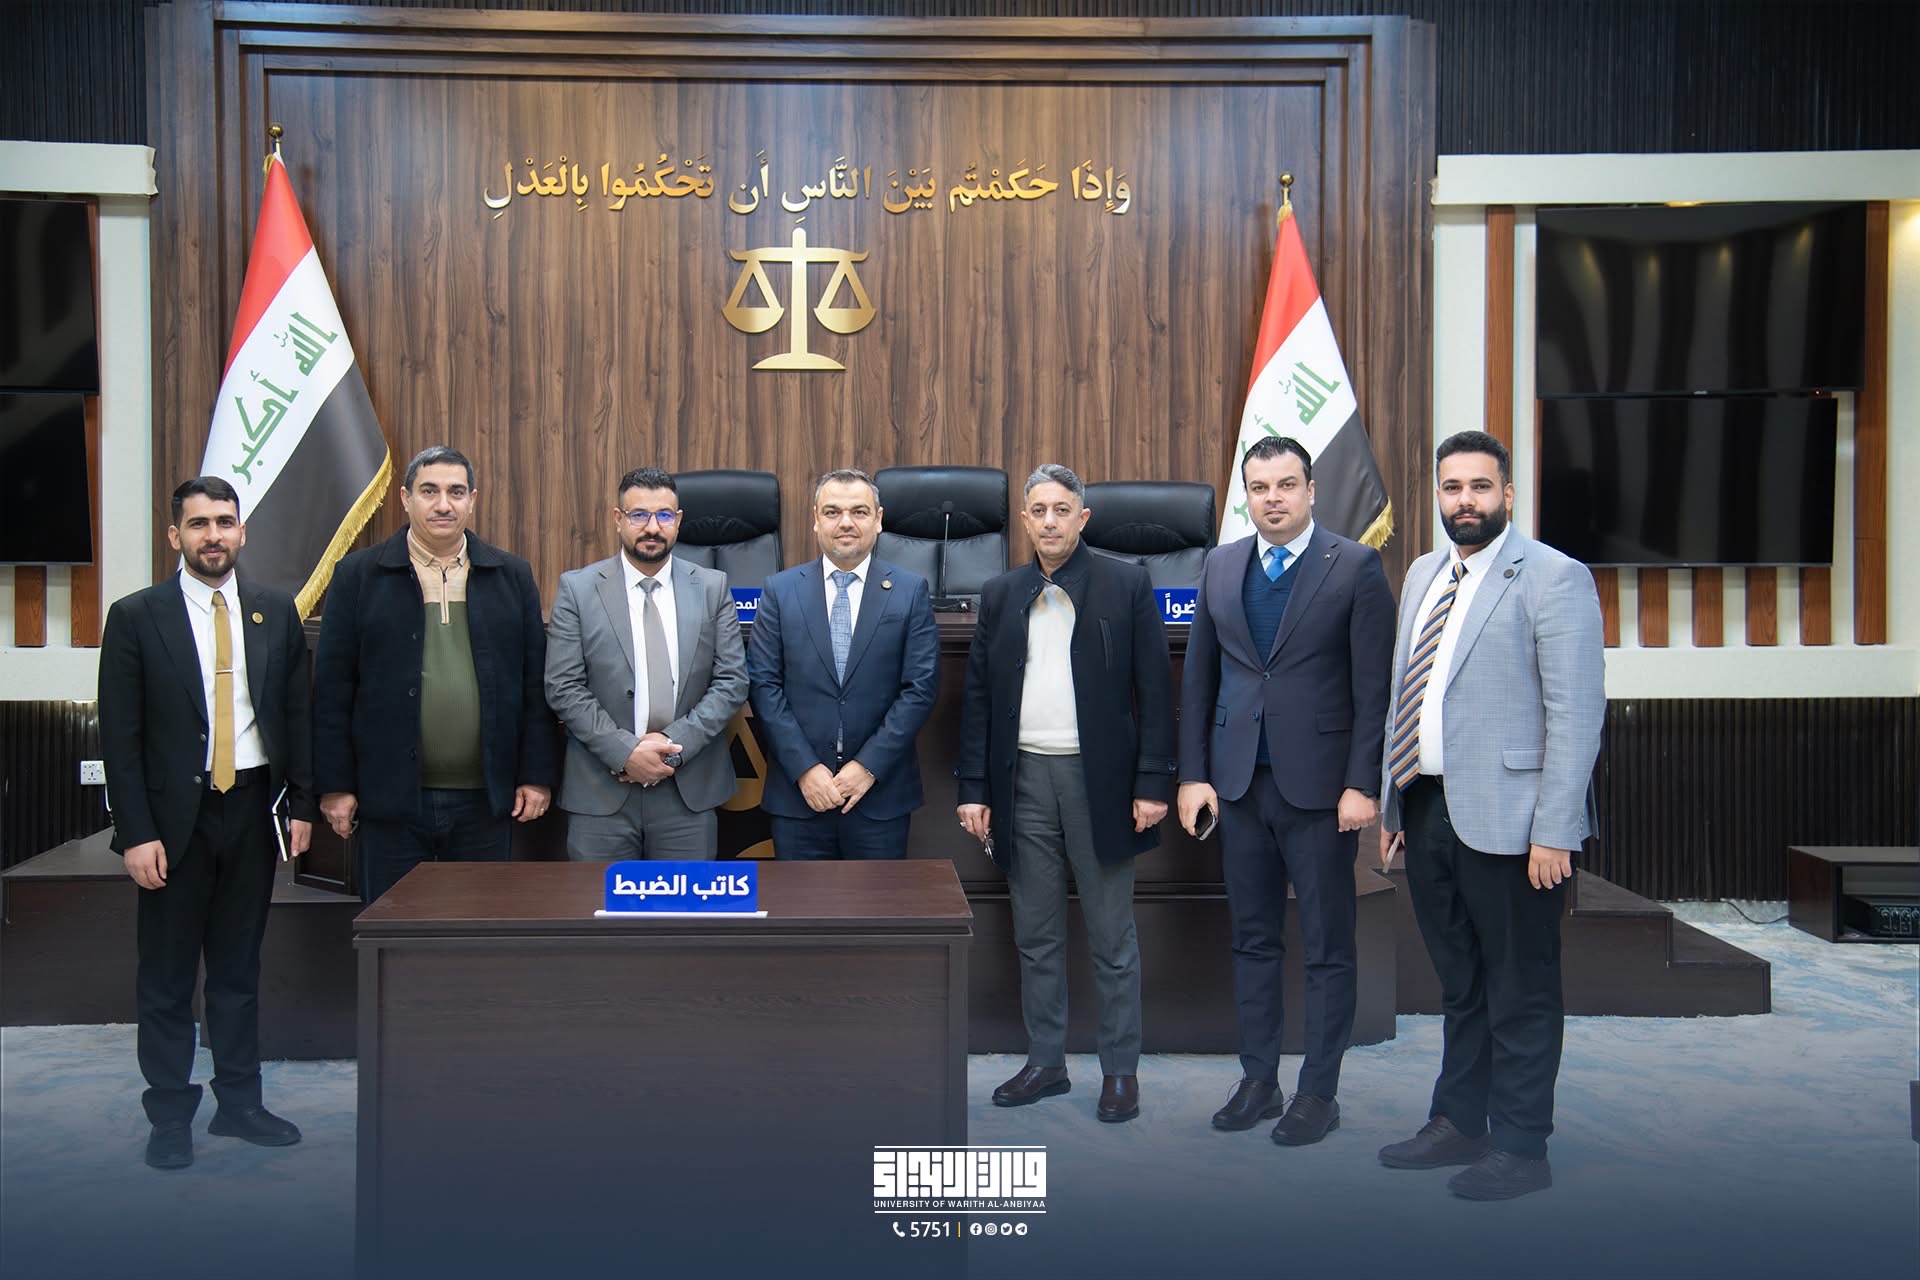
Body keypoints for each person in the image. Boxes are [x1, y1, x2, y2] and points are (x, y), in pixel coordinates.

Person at [1375, 429, 1605, 1200]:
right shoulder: (1423, 573)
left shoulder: (1554, 576)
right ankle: (1460, 1122)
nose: (1465, 500)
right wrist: (1395, 797)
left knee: (1521, 986)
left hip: (1515, 821)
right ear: (1437, 495)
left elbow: (1576, 715)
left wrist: (1556, 830)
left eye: (1479, 486)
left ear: (1507, 493)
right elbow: (1406, 693)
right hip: (1428, 805)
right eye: (1452, 487)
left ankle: (1521, 1146)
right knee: (1460, 982)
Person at [1176, 436, 1395, 1145]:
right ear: (1246, 494)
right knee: (1253, 940)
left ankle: (1318, 1093)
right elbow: (1200, 679)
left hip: (1323, 793)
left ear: (1310, 490)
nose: (1272, 498)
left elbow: (1374, 688)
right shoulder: (1221, 564)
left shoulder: (1354, 565)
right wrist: (1193, 775)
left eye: (1286, 484)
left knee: (1328, 945)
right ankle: (1259, 1080)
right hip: (1238, 787)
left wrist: (1363, 783)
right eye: (1259, 487)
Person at [97, 476, 316, 1169]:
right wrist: (135, 832)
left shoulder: (276, 611)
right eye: (199, 524)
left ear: (241, 531)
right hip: (171, 824)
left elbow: (297, 716)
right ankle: (169, 1115)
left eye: (224, 522)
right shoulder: (137, 616)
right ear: (176, 536)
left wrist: (302, 804)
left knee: (237, 970)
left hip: (251, 811)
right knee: (166, 978)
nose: (213, 536)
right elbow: (120, 738)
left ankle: (239, 1105)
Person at [956, 464, 1175, 1124]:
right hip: (1022, 782)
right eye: (1038, 510)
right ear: (1024, 521)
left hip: (1098, 784)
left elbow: (1155, 691)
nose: (1049, 521)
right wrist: (974, 788)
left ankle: (1120, 1071)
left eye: (1062, 509)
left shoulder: (1125, 584)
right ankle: (1046, 1061)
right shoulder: (1001, 593)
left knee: (1112, 937)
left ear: (1083, 518)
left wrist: (1152, 782)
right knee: (1037, 933)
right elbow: (978, 699)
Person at [311, 446, 556, 903]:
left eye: (456, 492)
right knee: (392, 931)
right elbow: (332, 692)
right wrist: (336, 786)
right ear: (406, 498)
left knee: (478, 928)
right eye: (429, 491)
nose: (444, 504)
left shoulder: (510, 575)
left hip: (487, 800)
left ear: (472, 500)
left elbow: (533, 687)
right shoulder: (359, 575)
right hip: (389, 800)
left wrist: (535, 774)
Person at [545, 467, 748, 859]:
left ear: (678, 520)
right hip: (601, 791)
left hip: (686, 792)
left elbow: (732, 682)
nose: (652, 527)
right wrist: (625, 752)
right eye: (639, 515)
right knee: (597, 899)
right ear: (617, 518)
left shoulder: (712, 587)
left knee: (686, 901)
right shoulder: (578, 589)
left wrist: (673, 746)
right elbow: (563, 686)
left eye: (664, 515)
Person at [747, 469, 939, 858]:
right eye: (833, 512)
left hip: (879, 796)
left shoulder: (909, 591)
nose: (846, 522)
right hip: (799, 797)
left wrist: (867, 767)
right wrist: (805, 769)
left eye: (859, 512)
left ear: (878, 519)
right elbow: (764, 686)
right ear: (815, 519)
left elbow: (919, 689)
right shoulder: (780, 591)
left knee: (877, 901)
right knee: (802, 901)